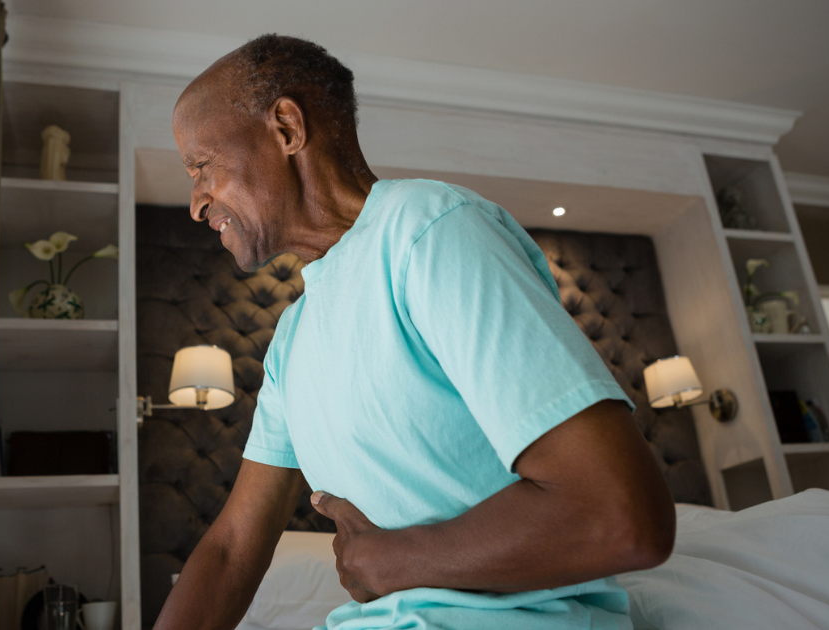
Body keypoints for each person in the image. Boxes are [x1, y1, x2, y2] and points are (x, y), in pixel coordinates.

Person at [156, 34, 676, 630]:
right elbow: (230, 549)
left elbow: (620, 513)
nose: (196, 203)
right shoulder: (293, 338)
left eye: (201, 166)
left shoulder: (430, 230)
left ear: (286, 129)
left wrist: (395, 559)